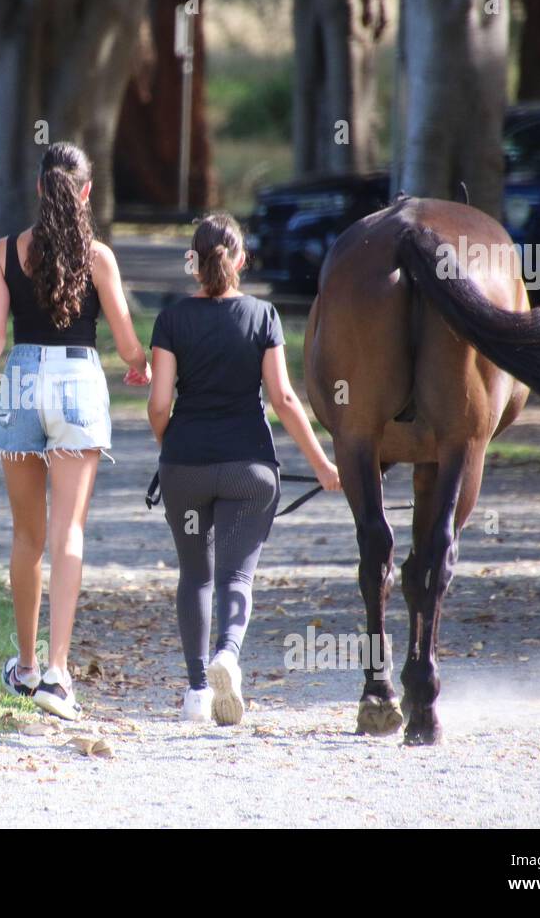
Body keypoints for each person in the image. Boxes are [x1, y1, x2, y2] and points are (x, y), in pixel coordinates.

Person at [0, 142, 150, 720]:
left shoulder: (3, 252)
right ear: (86, 191)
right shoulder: (99, 258)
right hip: (77, 383)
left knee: (27, 538)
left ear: (41, 189)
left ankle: (25, 666)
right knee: (69, 533)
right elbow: (125, 344)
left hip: (18, 384)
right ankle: (59, 676)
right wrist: (145, 365)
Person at [147, 212, 340, 725]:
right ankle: (228, 655)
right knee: (237, 576)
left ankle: (194, 693)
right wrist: (323, 463)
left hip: (184, 467)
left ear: (195, 262)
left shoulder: (171, 319)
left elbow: (158, 404)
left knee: (195, 575)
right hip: (249, 470)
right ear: (241, 259)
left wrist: (174, 450)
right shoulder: (263, 316)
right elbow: (283, 398)